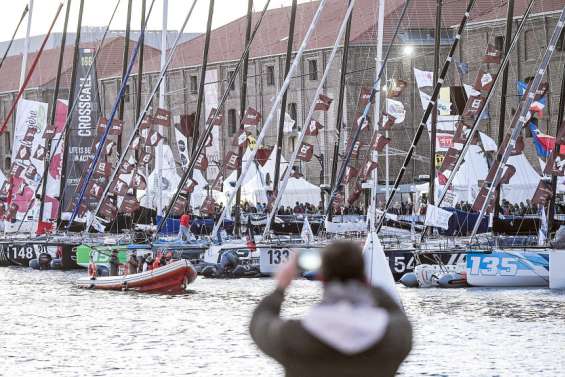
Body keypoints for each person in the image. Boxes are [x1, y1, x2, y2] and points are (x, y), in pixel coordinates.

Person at [249, 241, 412, 377]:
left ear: (321, 278)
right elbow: (397, 313)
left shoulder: (293, 337)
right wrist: (360, 275)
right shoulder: (392, 337)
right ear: (363, 279)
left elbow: (259, 322)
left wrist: (281, 287)